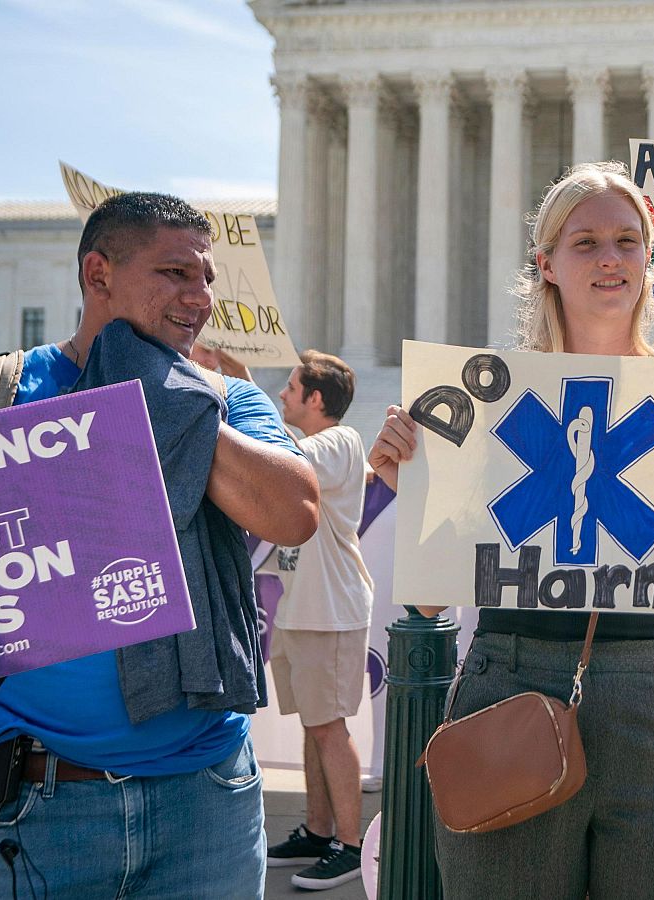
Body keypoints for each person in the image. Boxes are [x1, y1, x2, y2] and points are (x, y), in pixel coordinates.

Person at [367, 161, 654, 897]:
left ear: (649, 258)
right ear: (546, 264)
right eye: (585, 242)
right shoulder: (484, 404)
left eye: (626, 240)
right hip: (512, 687)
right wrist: (411, 488)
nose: (609, 258)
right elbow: (430, 602)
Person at [0, 192, 320, 899]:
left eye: (207, 279)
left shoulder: (228, 401)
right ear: (98, 274)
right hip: (19, 811)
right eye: (174, 274)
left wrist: (155, 393)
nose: (201, 298)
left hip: (203, 807)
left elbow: (293, 513)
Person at [264, 350, 375, 890]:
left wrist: (235, 389)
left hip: (330, 611)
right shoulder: (318, 446)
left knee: (329, 726)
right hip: (306, 610)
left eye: (290, 388)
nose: (282, 396)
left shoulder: (339, 441)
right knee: (316, 723)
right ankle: (317, 831)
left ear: (315, 398)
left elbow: (280, 456)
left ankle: (349, 846)